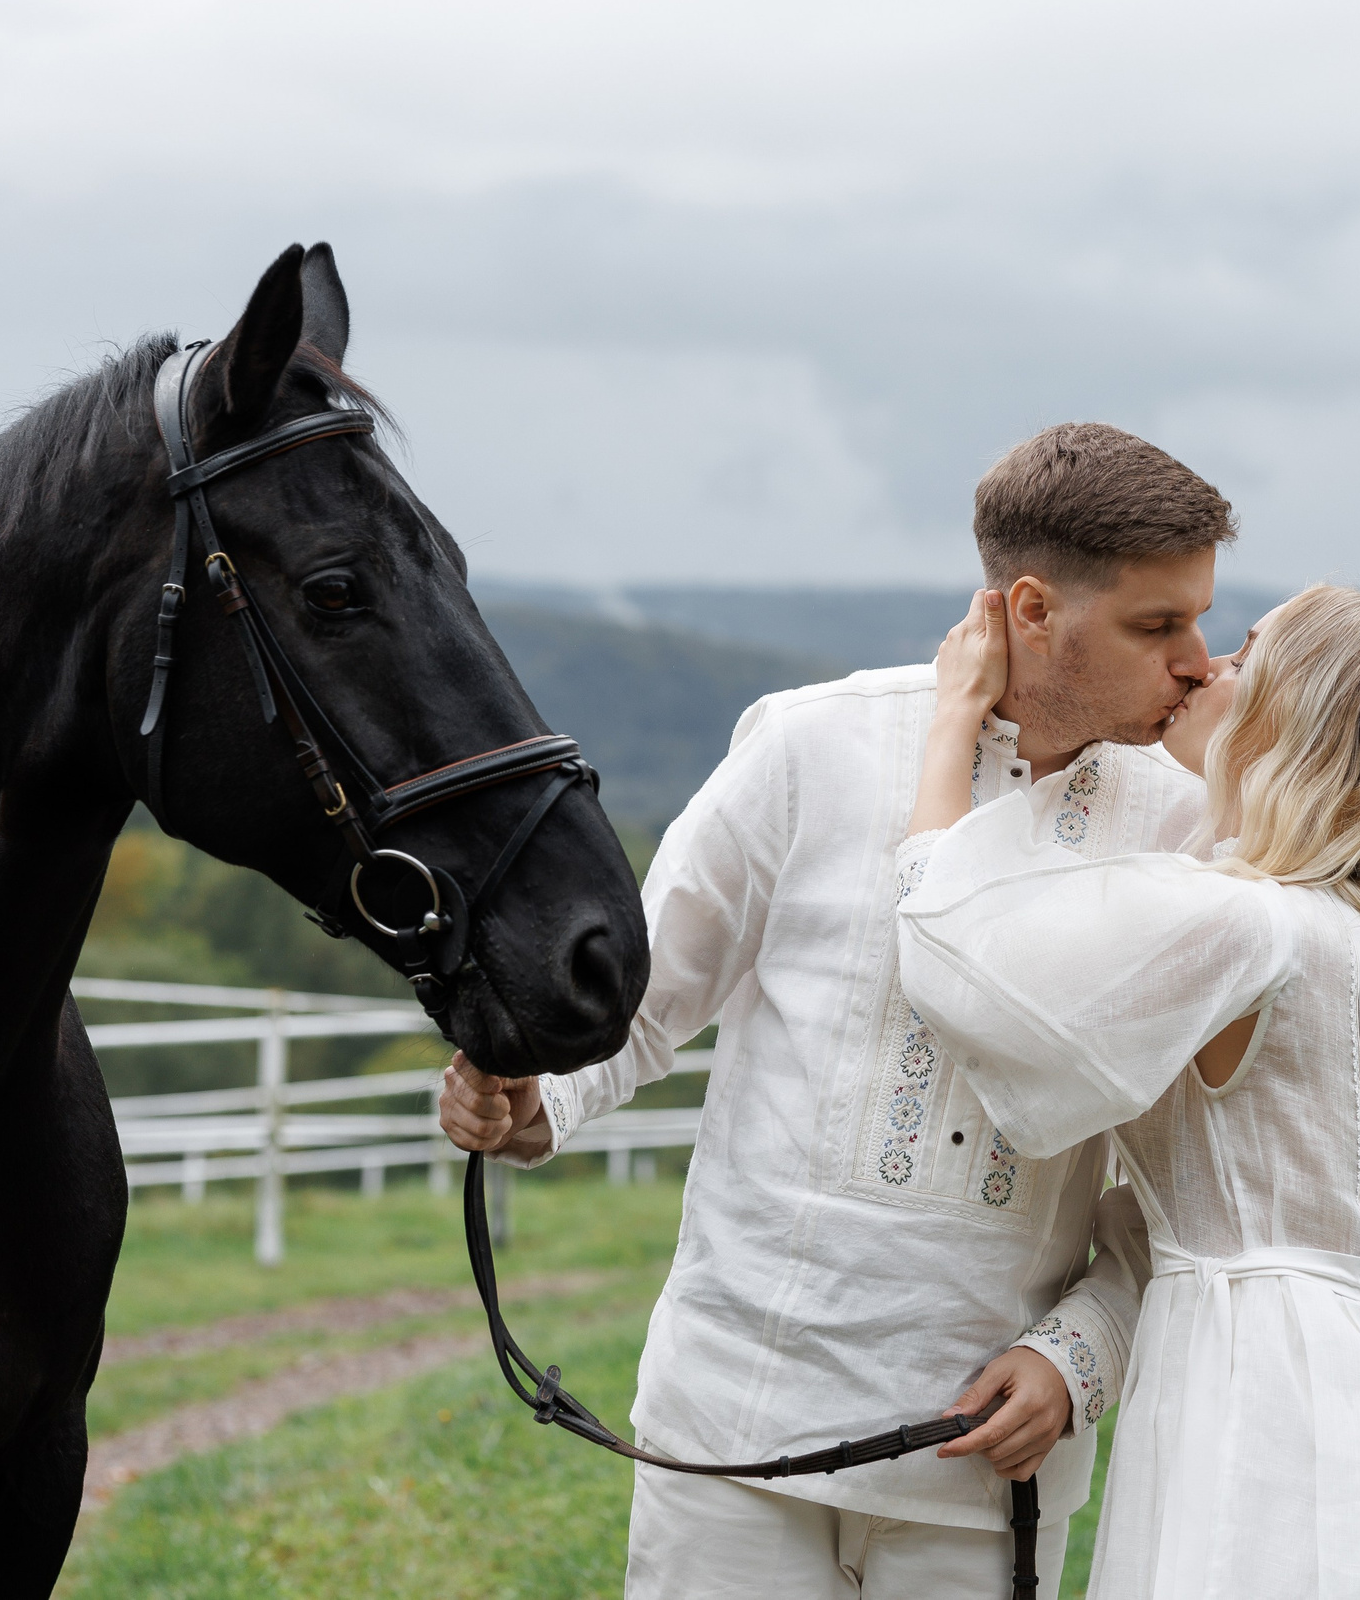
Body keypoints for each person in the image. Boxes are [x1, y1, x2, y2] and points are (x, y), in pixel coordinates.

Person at [440, 423, 1237, 1597]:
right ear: (1030, 609)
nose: (1198, 663)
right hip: (736, 1422)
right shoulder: (813, 745)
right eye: (1157, 625)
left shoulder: (1183, 822)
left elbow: (1191, 1180)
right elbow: (648, 1005)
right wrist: (533, 1100)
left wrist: (1084, 1350)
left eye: (1199, 620)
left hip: (984, 1457)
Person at [894, 582, 1360, 1599]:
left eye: (1242, 659)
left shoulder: (1249, 925)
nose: (1204, 669)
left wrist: (951, 725)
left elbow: (952, 947)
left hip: (1257, 1380)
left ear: (1284, 720)